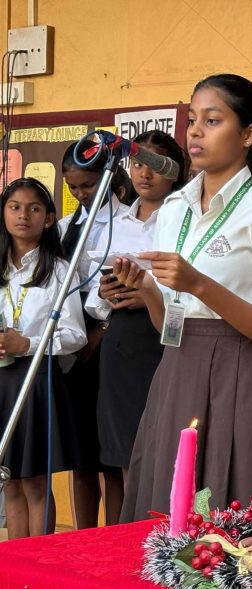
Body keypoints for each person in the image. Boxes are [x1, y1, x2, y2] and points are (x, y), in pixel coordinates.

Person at [115, 73, 252, 520]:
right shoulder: (174, 208)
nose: (195, 132)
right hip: (176, 368)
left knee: (224, 511)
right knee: (166, 514)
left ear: (248, 134)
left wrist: (199, 284)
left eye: (212, 120)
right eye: (192, 120)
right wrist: (147, 289)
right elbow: (168, 325)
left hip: (237, 372)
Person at [80, 130, 188, 525]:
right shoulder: (114, 222)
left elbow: (192, 285)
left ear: (174, 170)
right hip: (121, 341)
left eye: (155, 165)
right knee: (125, 448)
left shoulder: (184, 219)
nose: (145, 173)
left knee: (166, 447)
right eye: (138, 163)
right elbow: (93, 298)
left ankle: (165, 532)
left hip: (165, 335)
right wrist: (105, 294)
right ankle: (129, 535)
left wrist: (150, 295)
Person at [0, 178, 86, 537]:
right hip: (1, 381)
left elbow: (76, 335)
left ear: (49, 218)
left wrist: (27, 343)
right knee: (9, 483)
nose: (23, 215)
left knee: (34, 483)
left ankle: (39, 562)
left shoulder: (59, 271)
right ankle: (13, 562)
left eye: (34, 208)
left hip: (34, 380)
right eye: (14, 207)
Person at [59, 142, 125, 530]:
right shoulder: (65, 228)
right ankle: (81, 536)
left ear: (108, 177)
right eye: (74, 187)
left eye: (88, 184)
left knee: (110, 457)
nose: (82, 194)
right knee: (81, 455)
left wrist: (101, 330)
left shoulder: (127, 220)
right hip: (73, 343)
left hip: (110, 340)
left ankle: (113, 536)